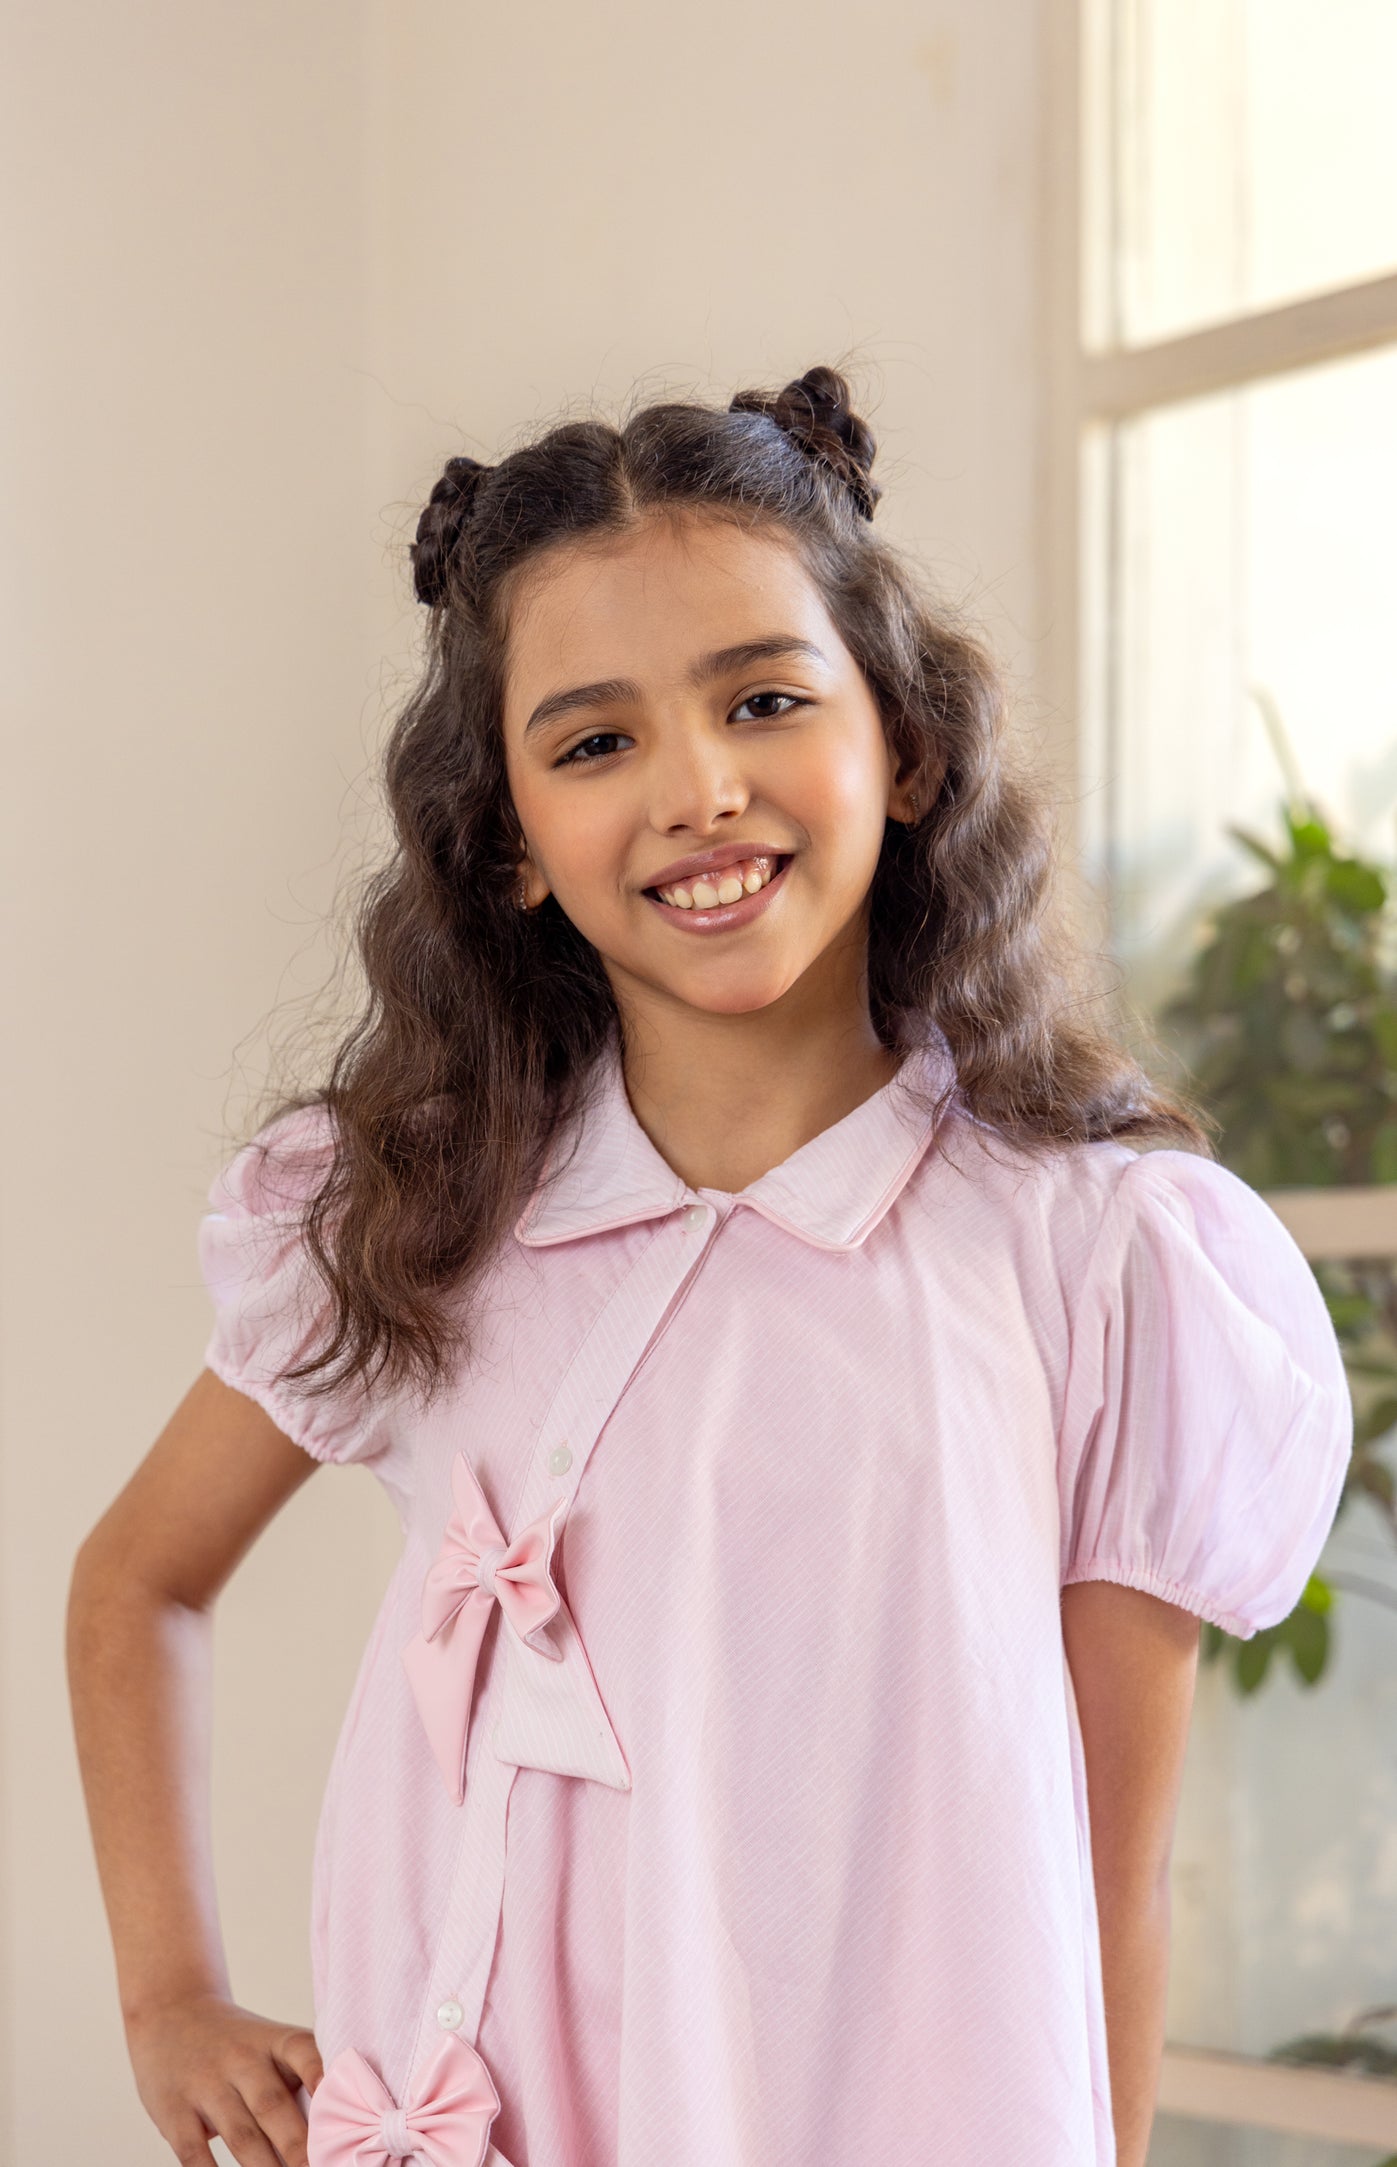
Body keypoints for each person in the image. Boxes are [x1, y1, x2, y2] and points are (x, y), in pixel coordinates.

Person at [67, 363, 1352, 2167]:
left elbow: (1103, 1891)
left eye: (762, 699)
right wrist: (168, 2000)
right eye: (594, 743)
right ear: (506, 839)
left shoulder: (1098, 1260)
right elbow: (137, 1580)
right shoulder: (410, 1218)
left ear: (900, 744)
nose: (696, 790)